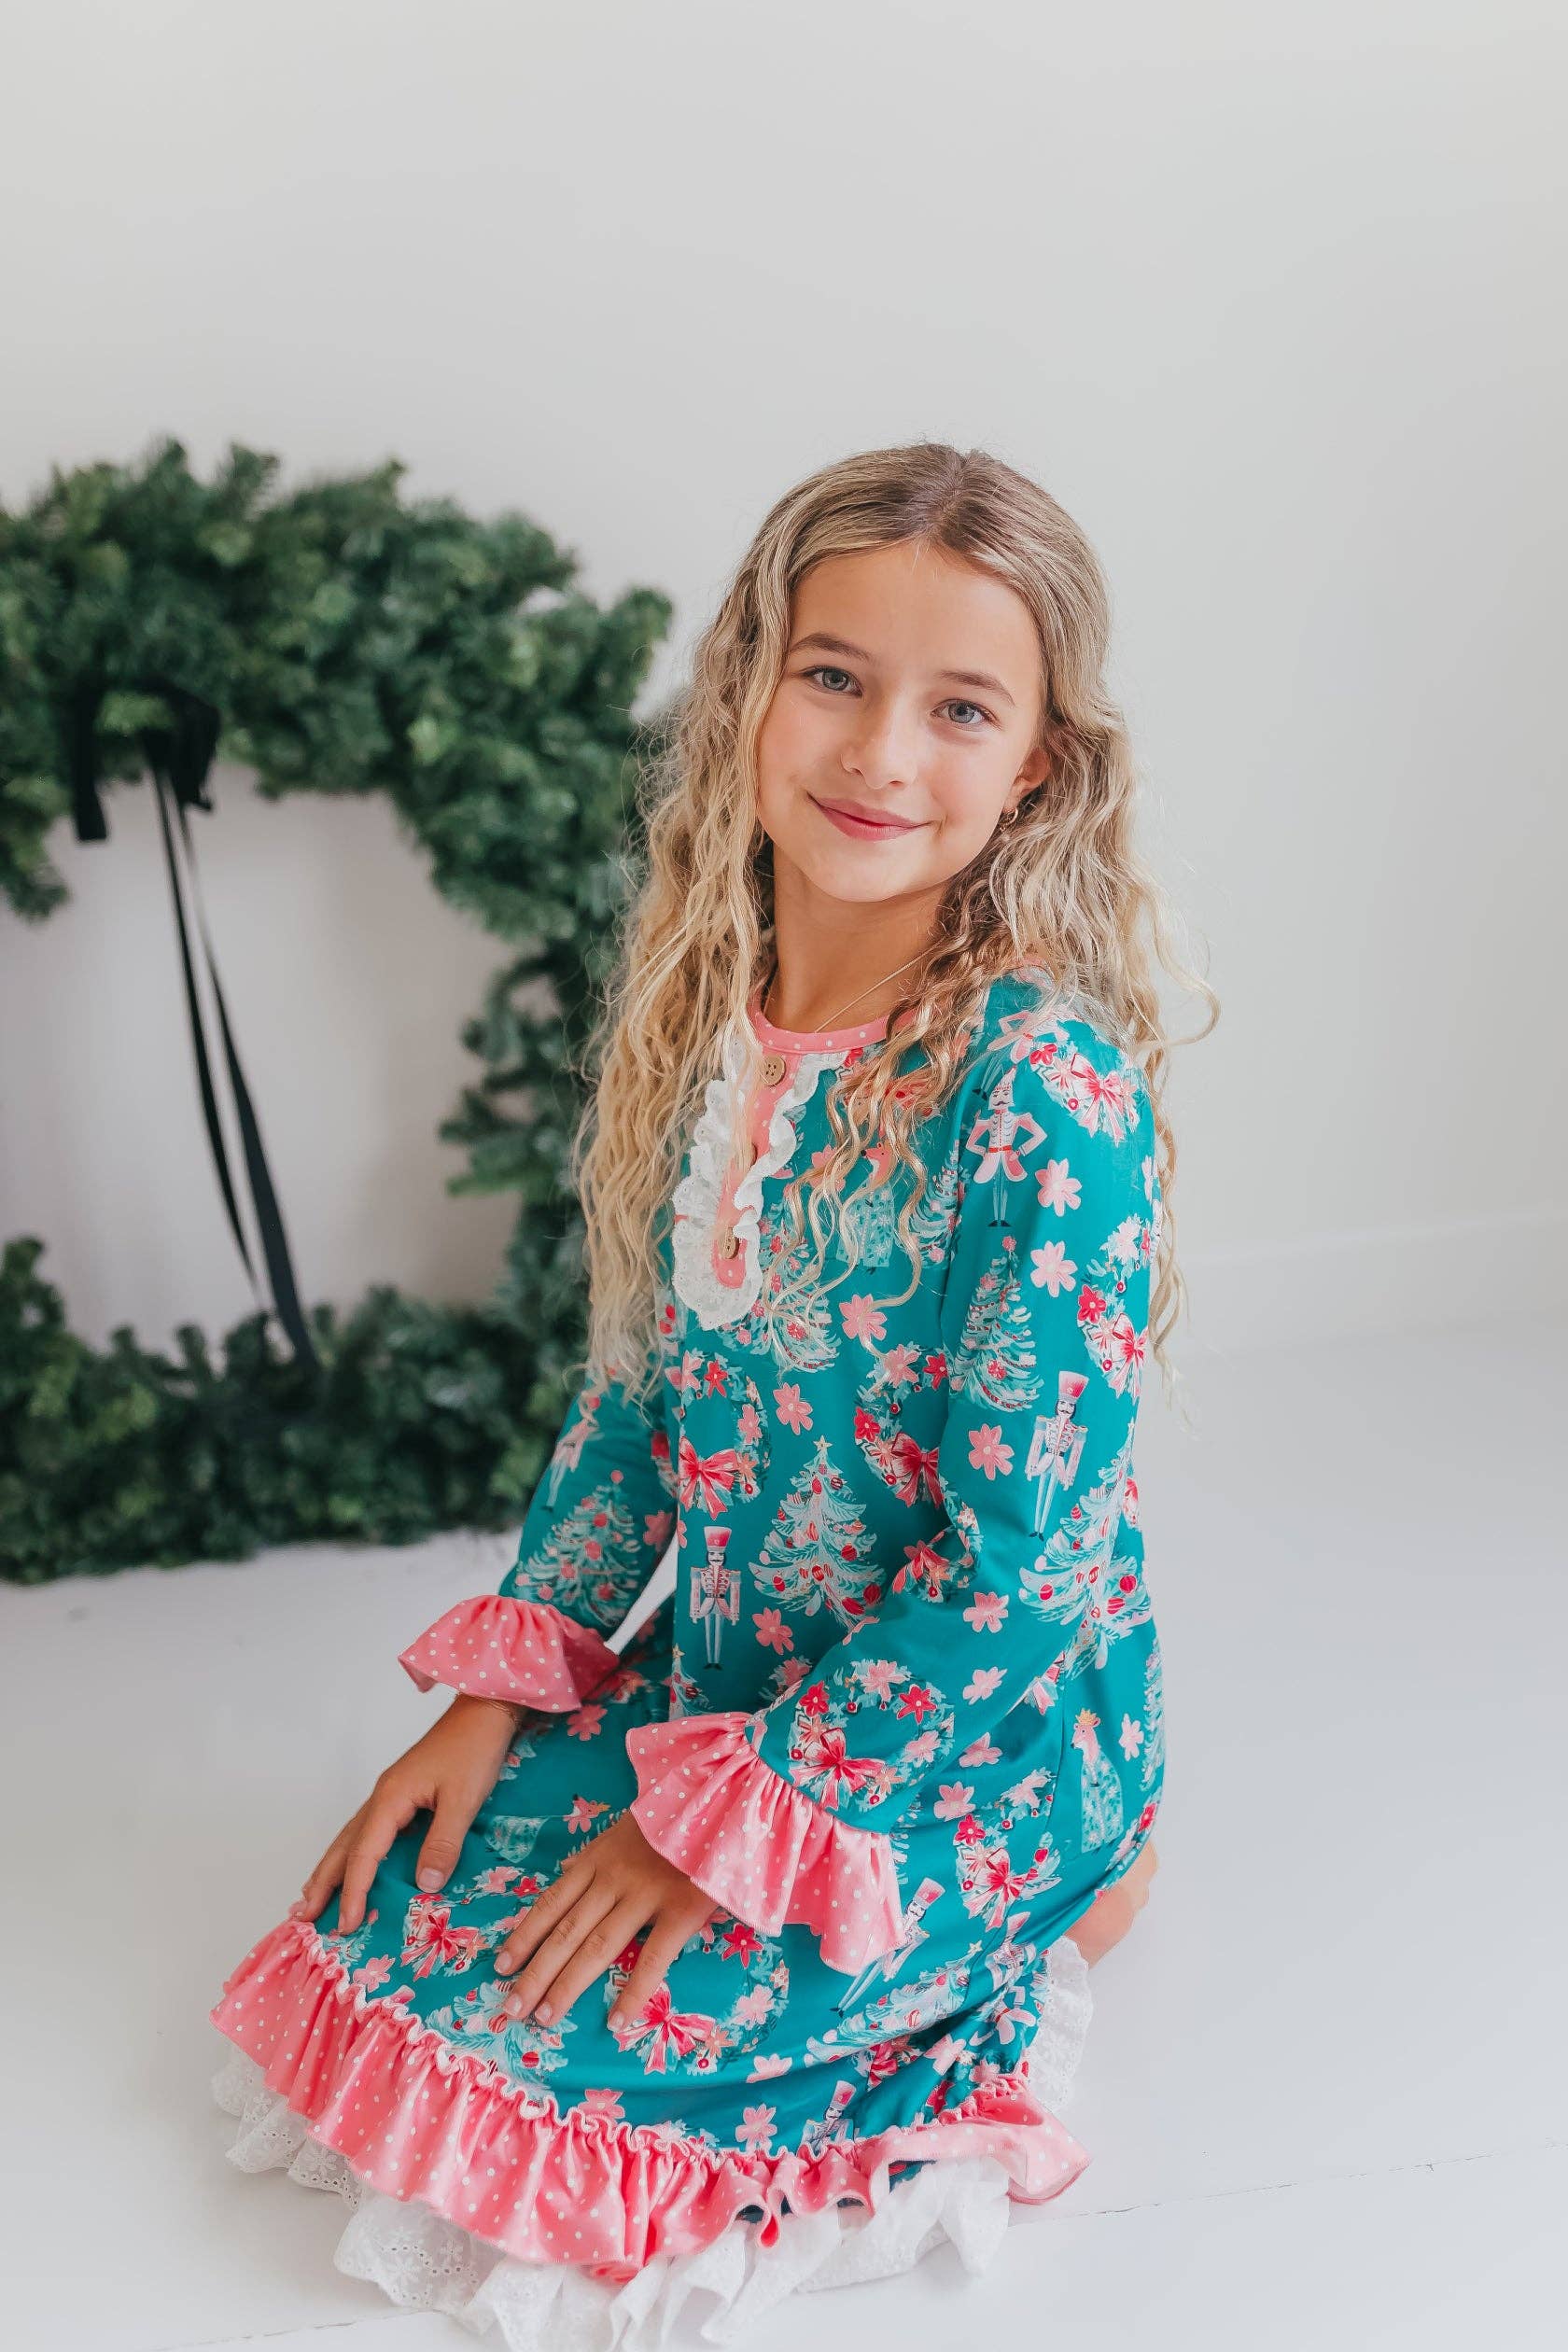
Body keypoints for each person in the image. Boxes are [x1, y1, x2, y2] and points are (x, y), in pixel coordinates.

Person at [208, 441, 1214, 2340]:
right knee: (391, 1921)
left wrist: (749, 1818)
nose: (880, 754)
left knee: (590, 2035)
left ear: (1036, 766)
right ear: (747, 685)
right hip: (735, 1680)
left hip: (960, 1734)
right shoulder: (708, 1024)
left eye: (961, 707)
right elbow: (639, 1418)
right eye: (833, 675)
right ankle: (727, 1842)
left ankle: (1071, 1878)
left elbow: (1026, 1571)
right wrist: (506, 1694)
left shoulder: (1041, 1094)